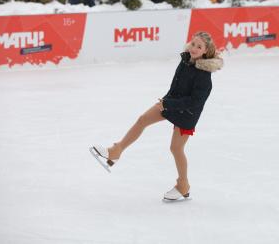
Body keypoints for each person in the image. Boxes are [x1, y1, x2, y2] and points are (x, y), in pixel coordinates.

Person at [91, 32, 224, 201]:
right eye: (193, 44)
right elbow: (175, 86)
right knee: (142, 120)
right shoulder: (184, 61)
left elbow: (194, 103)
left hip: (187, 114)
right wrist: (166, 101)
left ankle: (183, 185)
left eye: (199, 47)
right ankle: (115, 151)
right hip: (169, 104)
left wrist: (168, 104)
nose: (194, 48)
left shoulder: (204, 76)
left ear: (206, 51)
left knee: (176, 149)